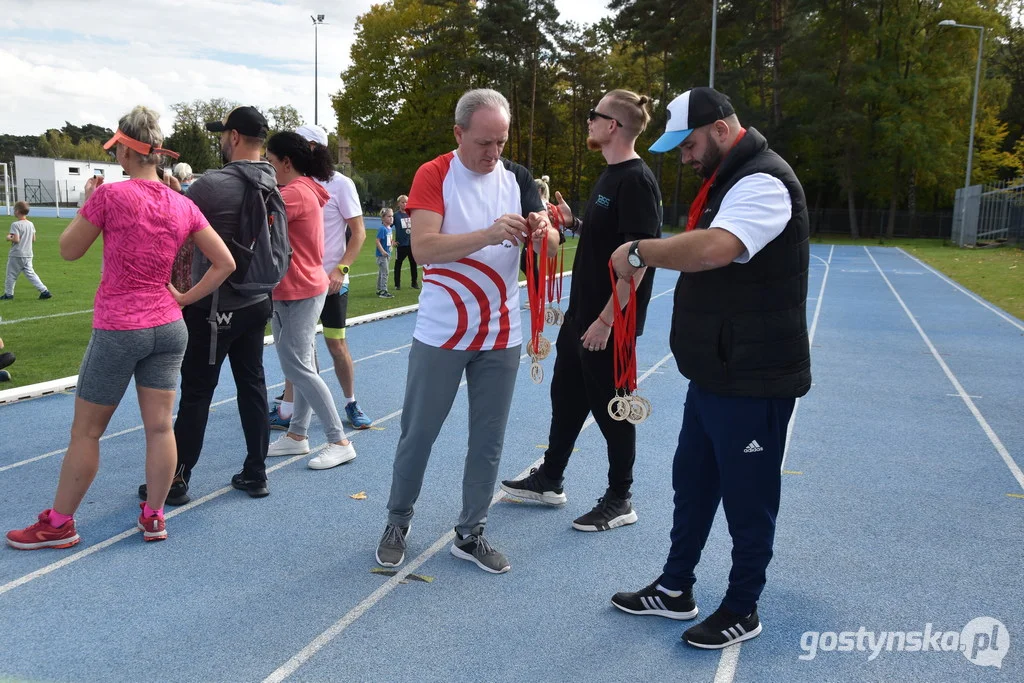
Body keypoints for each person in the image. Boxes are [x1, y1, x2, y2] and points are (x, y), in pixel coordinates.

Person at [607, 87, 810, 649]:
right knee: (692, 485)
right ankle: (675, 589)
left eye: (689, 144)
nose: (684, 157)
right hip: (716, 370)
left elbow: (714, 249)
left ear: (721, 128)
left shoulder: (763, 181)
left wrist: (639, 250)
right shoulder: (726, 182)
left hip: (755, 376)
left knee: (748, 498)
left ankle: (743, 607)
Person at [6, 105, 235, 550]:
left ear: (128, 151)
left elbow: (70, 251)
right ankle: (154, 516)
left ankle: (59, 523)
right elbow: (225, 261)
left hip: (119, 326)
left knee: (87, 432)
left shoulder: (111, 196)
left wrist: (90, 201)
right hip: (169, 326)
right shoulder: (182, 202)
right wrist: (185, 298)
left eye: (119, 153)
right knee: (161, 428)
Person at [374, 88, 558, 575]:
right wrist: (489, 234)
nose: (493, 153)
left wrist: (544, 232)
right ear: (458, 134)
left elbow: (549, 247)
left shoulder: (517, 177)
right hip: (443, 331)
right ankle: (397, 520)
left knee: (489, 439)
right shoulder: (435, 173)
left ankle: (471, 531)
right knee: (419, 434)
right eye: (483, 142)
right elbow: (425, 249)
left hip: (501, 331)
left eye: (500, 141)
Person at [501, 89, 662, 532]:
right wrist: (574, 223)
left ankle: (620, 497)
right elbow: (611, 239)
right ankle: (550, 478)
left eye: (595, 115)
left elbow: (639, 257)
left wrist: (608, 320)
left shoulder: (636, 180)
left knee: (612, 406)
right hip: (583, 312)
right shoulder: (610, 175)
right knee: (566, 396)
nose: (588, 121)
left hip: (608, 321)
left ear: (613, 126)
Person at [137, 106, 278, 505]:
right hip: (257, 299)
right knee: (253, 385)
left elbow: (168, 222)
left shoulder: (213, 185)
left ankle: (177, 479)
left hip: (216, 304)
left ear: (233, 137)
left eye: (222, 135)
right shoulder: (271, 179)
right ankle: (256, 471)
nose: (219, 141)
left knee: (197, 391)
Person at [269, 124, 373, 432]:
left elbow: (359, 233)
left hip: (329, 279)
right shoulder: (295, 183)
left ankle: (350, 403)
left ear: (315, 148)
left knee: (334, 344)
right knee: (297, 350)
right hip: (299, 280)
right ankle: (291, 415)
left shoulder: (339, 184)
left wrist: (341, 270)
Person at [3, 201, 52, 301]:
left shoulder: (15, 225)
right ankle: (44, 291)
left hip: (17, 253)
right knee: (31, 274)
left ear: (17, 211)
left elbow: (16, 239)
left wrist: (9, 237)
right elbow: (33, 239)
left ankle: (8, 294)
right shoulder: (30, 224)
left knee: (11, 274)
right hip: (28, 253)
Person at [392, 194, 418, 290]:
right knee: (398, 264)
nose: (405, 204)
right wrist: (392, 241)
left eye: (406, 202)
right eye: (403, 202)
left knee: (413, 264)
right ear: (399, 203)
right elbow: (387, 228)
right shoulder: (396, 215)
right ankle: (397, 284)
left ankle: (414, 283)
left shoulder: (412, 213)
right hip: (401, 245)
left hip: (411, 244)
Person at [376, 207, 395, 298]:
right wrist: (382, 251)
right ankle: (384, 290)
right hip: (382, 255)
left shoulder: (389, 228)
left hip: (388, 254)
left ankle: (379, 288)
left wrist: (392, 243)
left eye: (392, 216)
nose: (391, 218)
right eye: (389, 216)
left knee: (382, 272)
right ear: (383, 218)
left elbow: (389, 240)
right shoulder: (382, 229)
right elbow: (377, 241)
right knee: (385, 272)